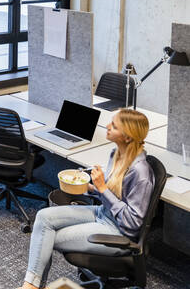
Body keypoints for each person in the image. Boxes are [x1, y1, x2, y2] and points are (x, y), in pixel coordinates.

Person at [17, 109, 155, 289]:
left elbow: (132, 224)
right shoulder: (116, 154)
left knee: (46, 237)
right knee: (43, 217)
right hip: (102, 212)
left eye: (113, 126)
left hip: (119, 232)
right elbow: (111, 195)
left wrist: (103, 188)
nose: (107, 126)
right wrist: (89, 187)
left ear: (127, 137)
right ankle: (33, 286)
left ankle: (31, 287)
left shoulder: (141, 174)